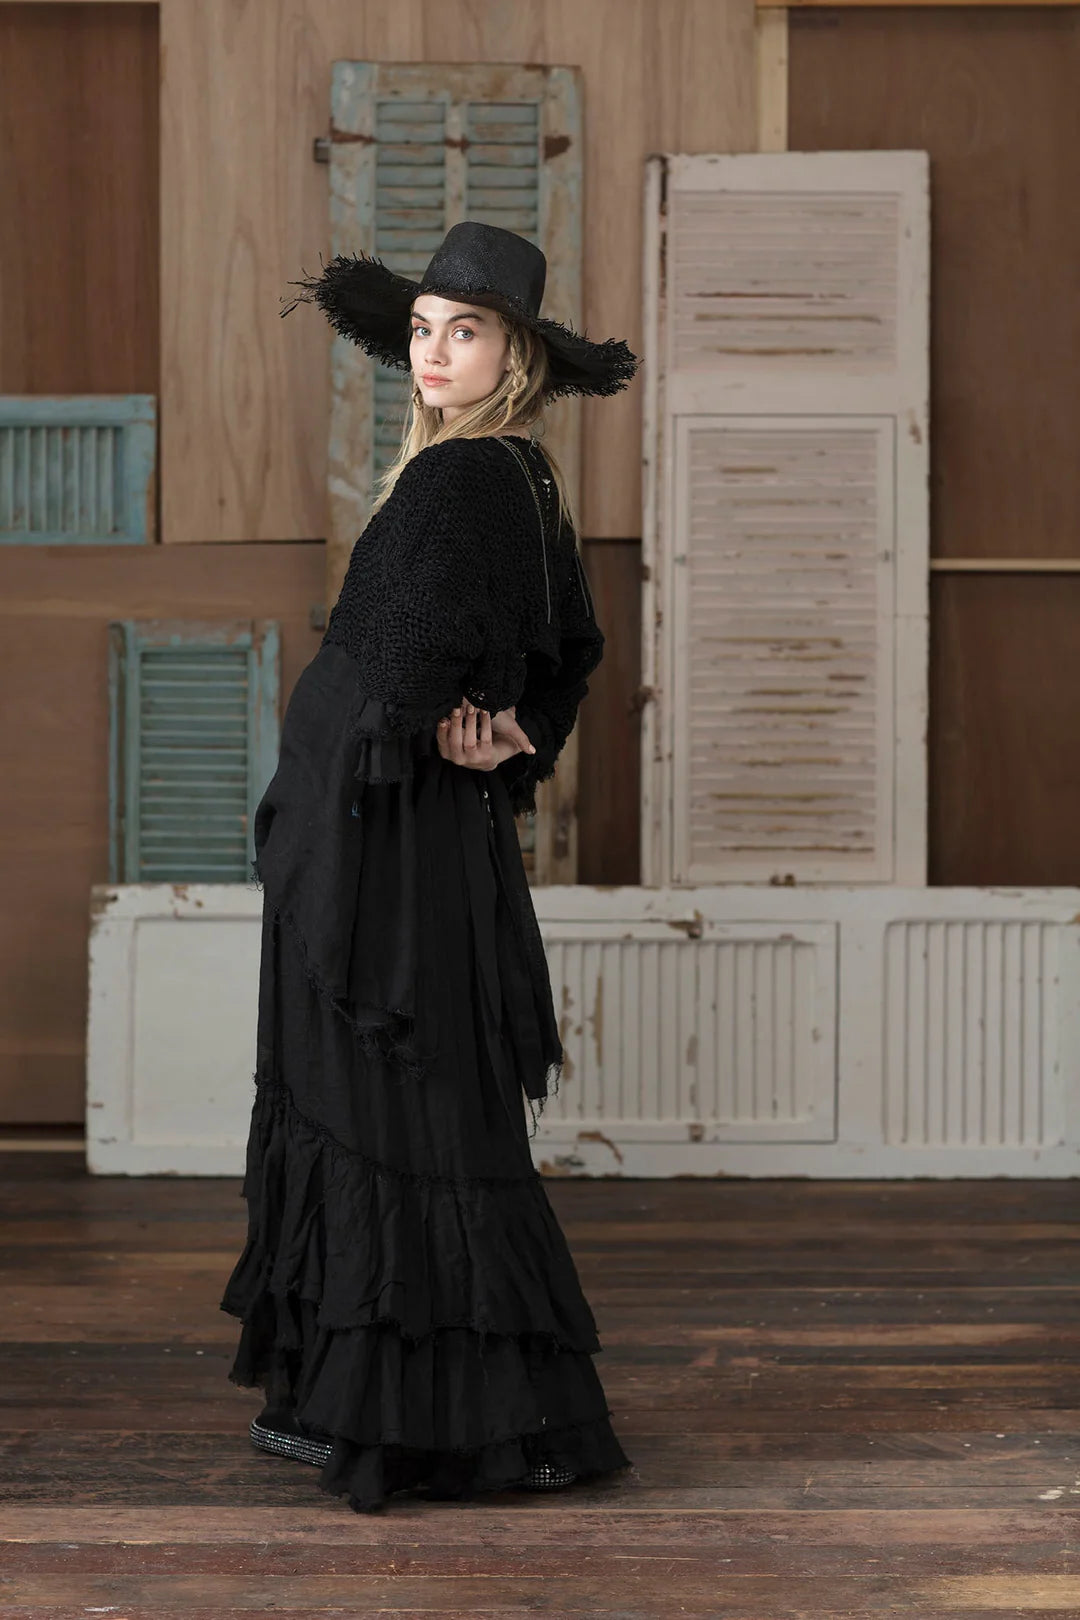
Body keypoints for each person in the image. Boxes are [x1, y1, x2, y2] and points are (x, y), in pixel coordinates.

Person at [219, 220, 640, 1515]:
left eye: (466, 331)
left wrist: (424, 725)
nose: (434, 353)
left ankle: (411, 1419)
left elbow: (402, 658)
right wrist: (506, 732)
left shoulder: (466, 478)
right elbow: (567, 652)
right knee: (419, 1107)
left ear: (518, 353)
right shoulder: (516, 477)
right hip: (406, 825)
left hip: (384, 838)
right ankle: (430, 1410)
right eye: (421, 329)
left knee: (391, 1102)